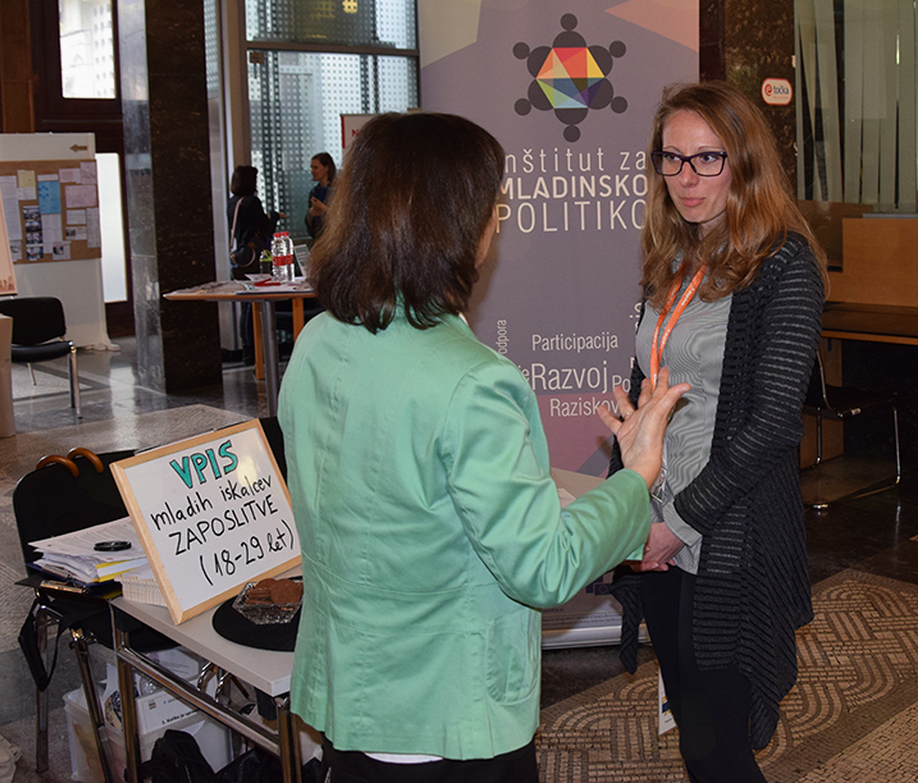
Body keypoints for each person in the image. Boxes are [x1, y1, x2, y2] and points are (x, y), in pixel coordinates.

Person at [278, 111, 690, 782]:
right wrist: (638, 473)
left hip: (354, 696)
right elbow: (544, 568)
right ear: (457, 224)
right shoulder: (473, 381)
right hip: (448, 713)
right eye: (492, 206)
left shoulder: (319, 341)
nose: (496, 224)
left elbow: (396, 505)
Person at [607, 81, 827, 782]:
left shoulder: (783, 264)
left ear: (745, 163)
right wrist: (631, 507)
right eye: (671, 159)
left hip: (727, 537)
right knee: (694, 728)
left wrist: (678, 524)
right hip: (657, 527)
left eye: (707, 159)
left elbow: (772, 425)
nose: (686, 178)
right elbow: (648, 388)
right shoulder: (671, 258)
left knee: (717, 745)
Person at [227, 165, 281, 361]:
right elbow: (265, 228)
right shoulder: (251, 202)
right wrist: (274, 217)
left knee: (245, 304)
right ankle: (256, 348)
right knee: (254, 304)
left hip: (240, 257)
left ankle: (247, 348)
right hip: (253, 257)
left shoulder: (233, 202)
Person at [304, 151, 336, 239]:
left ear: (326, 168)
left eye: (316, 168)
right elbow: (310, 225)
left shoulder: (337, 189)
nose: (312, 171)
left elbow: (342, 218)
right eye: (311, 168)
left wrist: (323, 208)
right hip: (318, 238)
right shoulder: (314, 192)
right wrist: (310, 214)